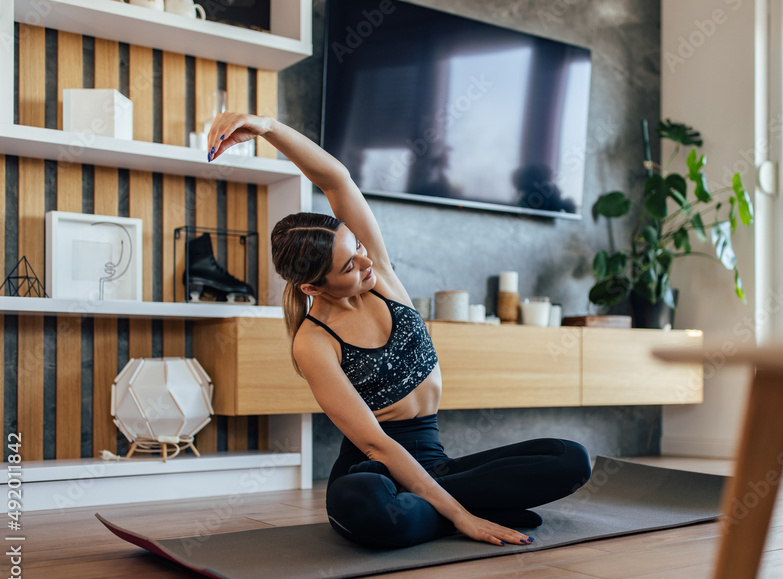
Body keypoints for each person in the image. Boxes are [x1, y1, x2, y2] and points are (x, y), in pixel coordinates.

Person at [207, 114, 592, 549]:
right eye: (349, 266)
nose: (366, 261)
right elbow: (374, 444)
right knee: (371, 509)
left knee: (570, 459)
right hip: (373, 471)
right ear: (314, 287)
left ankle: (432, 510)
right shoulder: (313, 342)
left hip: (433, 462)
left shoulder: (381, 277)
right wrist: (464, 517)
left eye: (356, 246)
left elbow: (335, 180)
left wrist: (268, 128)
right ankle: (454, 510)